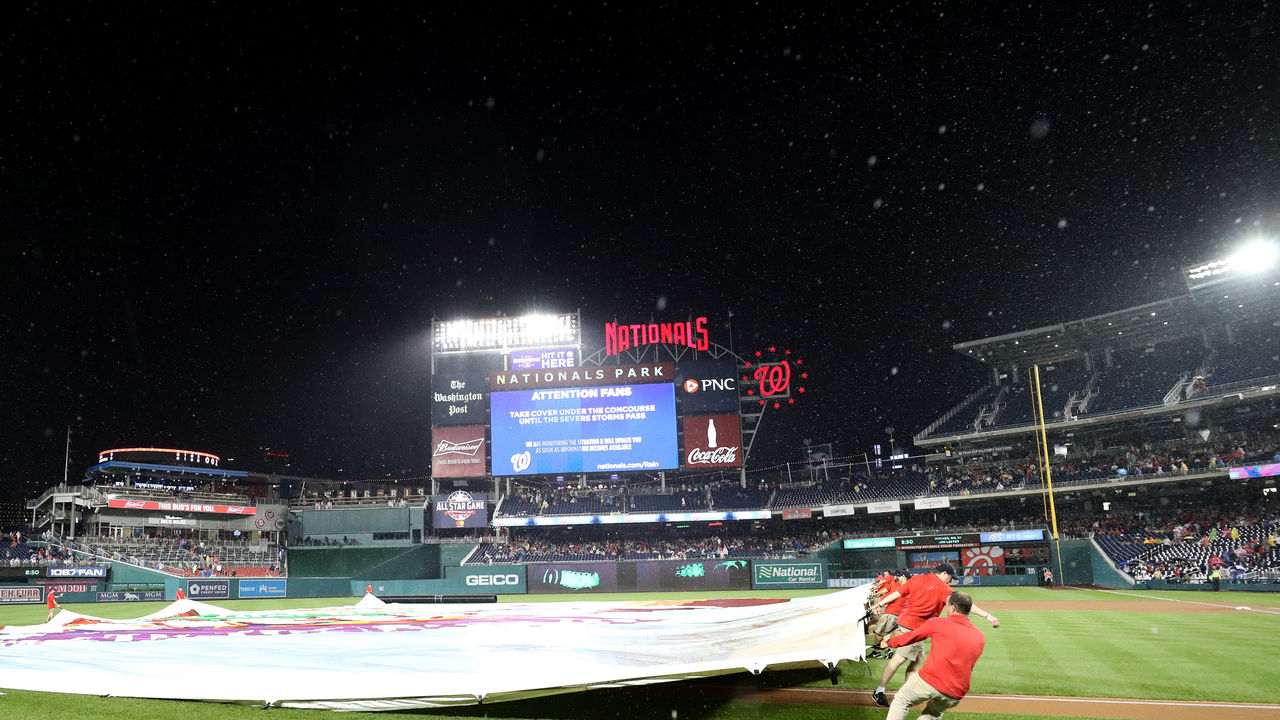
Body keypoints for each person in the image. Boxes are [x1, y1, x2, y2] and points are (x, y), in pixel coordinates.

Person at [868, 563, 999, 708]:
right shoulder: (942, 587)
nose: (950, 581)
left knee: (917, 660)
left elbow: (898, 593)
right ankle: (880, 691)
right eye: (950, 577)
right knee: (899, 659)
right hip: (913, 627)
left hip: (912, 625)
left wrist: (880, 604)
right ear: (944, 574)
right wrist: (987, 615)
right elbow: (964, 604)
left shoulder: (917, 579)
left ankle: (905, 692)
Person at [880, 591, 988, 720]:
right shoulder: (980, 636)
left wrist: (889, 642)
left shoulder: (938, 623)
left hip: (930, 681)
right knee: (932, 714)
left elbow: (912, 636)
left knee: (901, 700)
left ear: (953, 607)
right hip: (956, 693)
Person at [867, 570, 909, 658]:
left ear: (904, 577)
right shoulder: (896, 584)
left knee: (879, 633)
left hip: (892, 613)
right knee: (885, 633)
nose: (897, 577)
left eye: (899, 576)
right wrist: (876, 596)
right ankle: (882, 650)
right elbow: (887, 591)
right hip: (893, 612)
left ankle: (882, 650)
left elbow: (893, 597)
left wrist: (879, 604)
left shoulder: (904, 587)